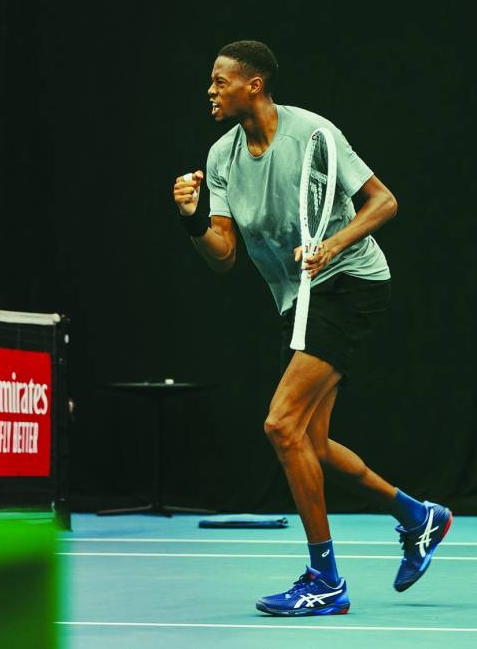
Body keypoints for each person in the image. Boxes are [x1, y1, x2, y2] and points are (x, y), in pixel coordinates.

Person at [172, 40, 451, 616]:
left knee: (281, 425)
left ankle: (324, 578)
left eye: (221, 80)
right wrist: (194, 216)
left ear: (255, 84)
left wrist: (332, 244)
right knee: (311, 443)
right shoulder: (222, 156)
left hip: (351, 283)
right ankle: (419, 516)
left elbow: (384, 202)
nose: (211, 89)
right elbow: (223, 254)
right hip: (296, 299)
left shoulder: (313, 134)